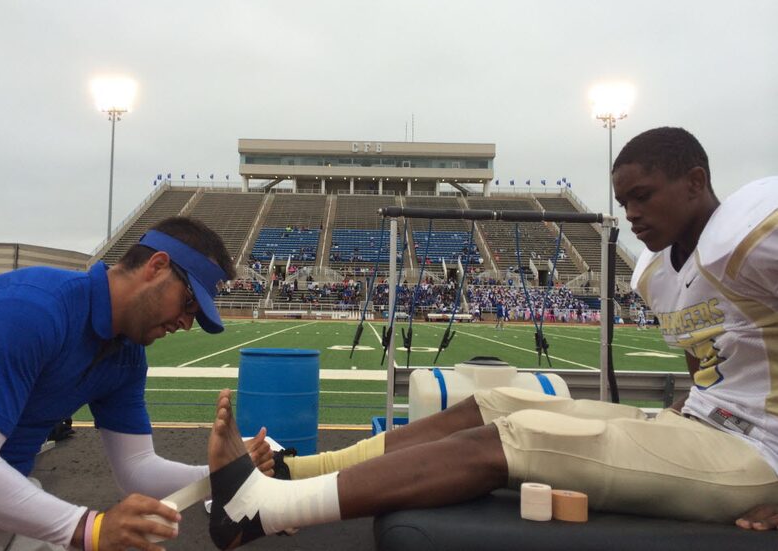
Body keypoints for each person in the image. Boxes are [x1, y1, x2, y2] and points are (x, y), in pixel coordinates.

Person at [203, 128, 778, 549]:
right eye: (623, 200)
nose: (630, 213)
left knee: (521, 436)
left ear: (696, 182)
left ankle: (266, 511)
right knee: (496, 402)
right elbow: (727, 361)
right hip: (703, 427)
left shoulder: (746, 235)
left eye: (643, 196)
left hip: (757, 457)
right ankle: (292, 470)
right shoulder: (657, 272)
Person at [0, 216, 273, 550]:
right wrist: (90, 528)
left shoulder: (127, 353)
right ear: (157, 266)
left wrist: (219, 473)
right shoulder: (28, 309)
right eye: (189, 303)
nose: (186, 323)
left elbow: (137, 469)